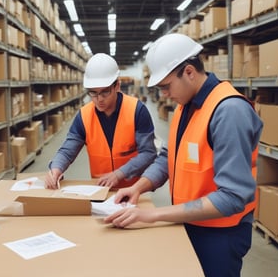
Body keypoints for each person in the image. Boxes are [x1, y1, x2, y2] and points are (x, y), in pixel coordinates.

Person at [104, 34, 263, 277]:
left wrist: (152, 215)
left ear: (189, 72)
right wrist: (139, 187)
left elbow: (232, 197)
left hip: (221, 233)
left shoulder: (229, 111)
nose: (164, 94)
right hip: (191, 222)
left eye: (166, 86)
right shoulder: (186, 105)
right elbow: (169, 156)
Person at [45, 53, 157, 190]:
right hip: (101, 191)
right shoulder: (84, 116)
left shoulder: (137, 111)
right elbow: (67, 150)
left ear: (117, 86)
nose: (99, 99)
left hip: (133, 191)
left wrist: (119, 174)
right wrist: (56, 168)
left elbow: (148, 152)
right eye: (93, 93)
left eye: (104, 92)